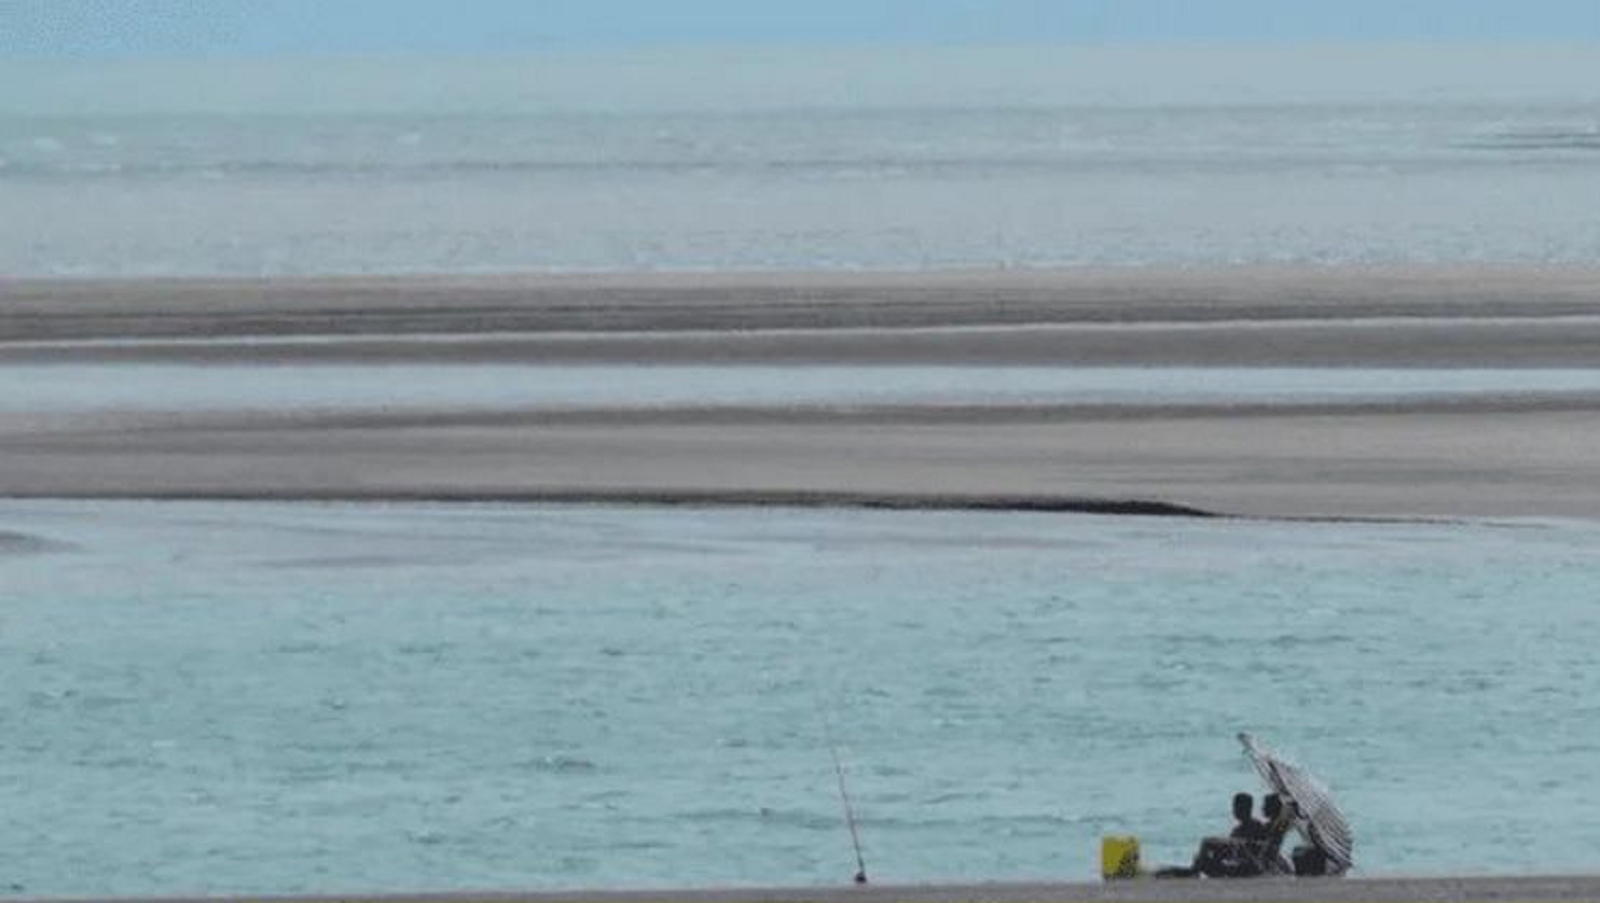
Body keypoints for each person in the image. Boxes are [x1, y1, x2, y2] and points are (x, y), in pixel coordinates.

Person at [1158, 792, 1270, 878]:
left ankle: (1191, 871)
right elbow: (1231, 850)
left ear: (1244, 808)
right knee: (1202, 858)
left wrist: (1222, 846)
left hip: (1244, 868)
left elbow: (1248, 848)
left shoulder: (1254, 826)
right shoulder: (1242, 828)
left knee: (1206, 842)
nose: (1234, 810)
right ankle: (1192, 870)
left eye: (1236, 807)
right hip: (1237, 863)